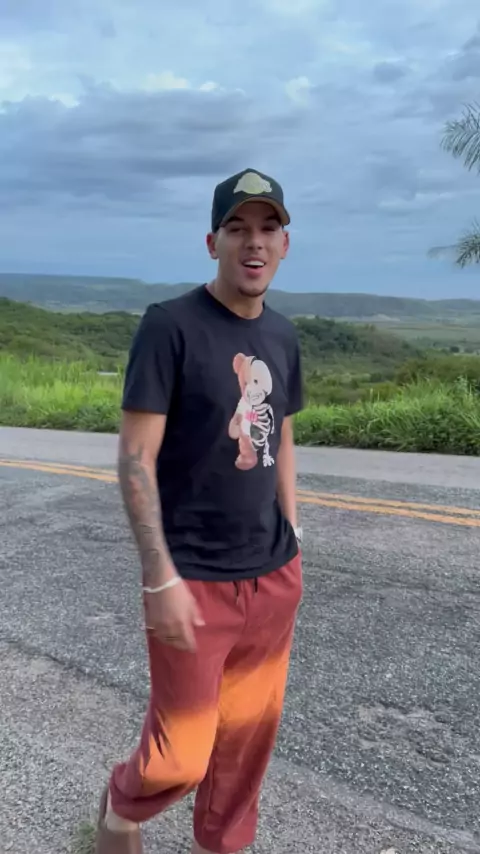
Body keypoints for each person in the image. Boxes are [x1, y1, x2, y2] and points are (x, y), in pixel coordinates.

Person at [95, 167, 304, 854]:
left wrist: (294, 530)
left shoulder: (283, 336)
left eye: (268, 228)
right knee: (181, 755)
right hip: (193, 581)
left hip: (273, 577)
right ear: (213, 242)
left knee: (245, 749)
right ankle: (122, 805)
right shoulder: (170, 326)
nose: (254, 242)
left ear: (285, 244)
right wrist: (158, 577)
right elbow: (135, 458)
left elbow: (282, 434)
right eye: (237, 228)